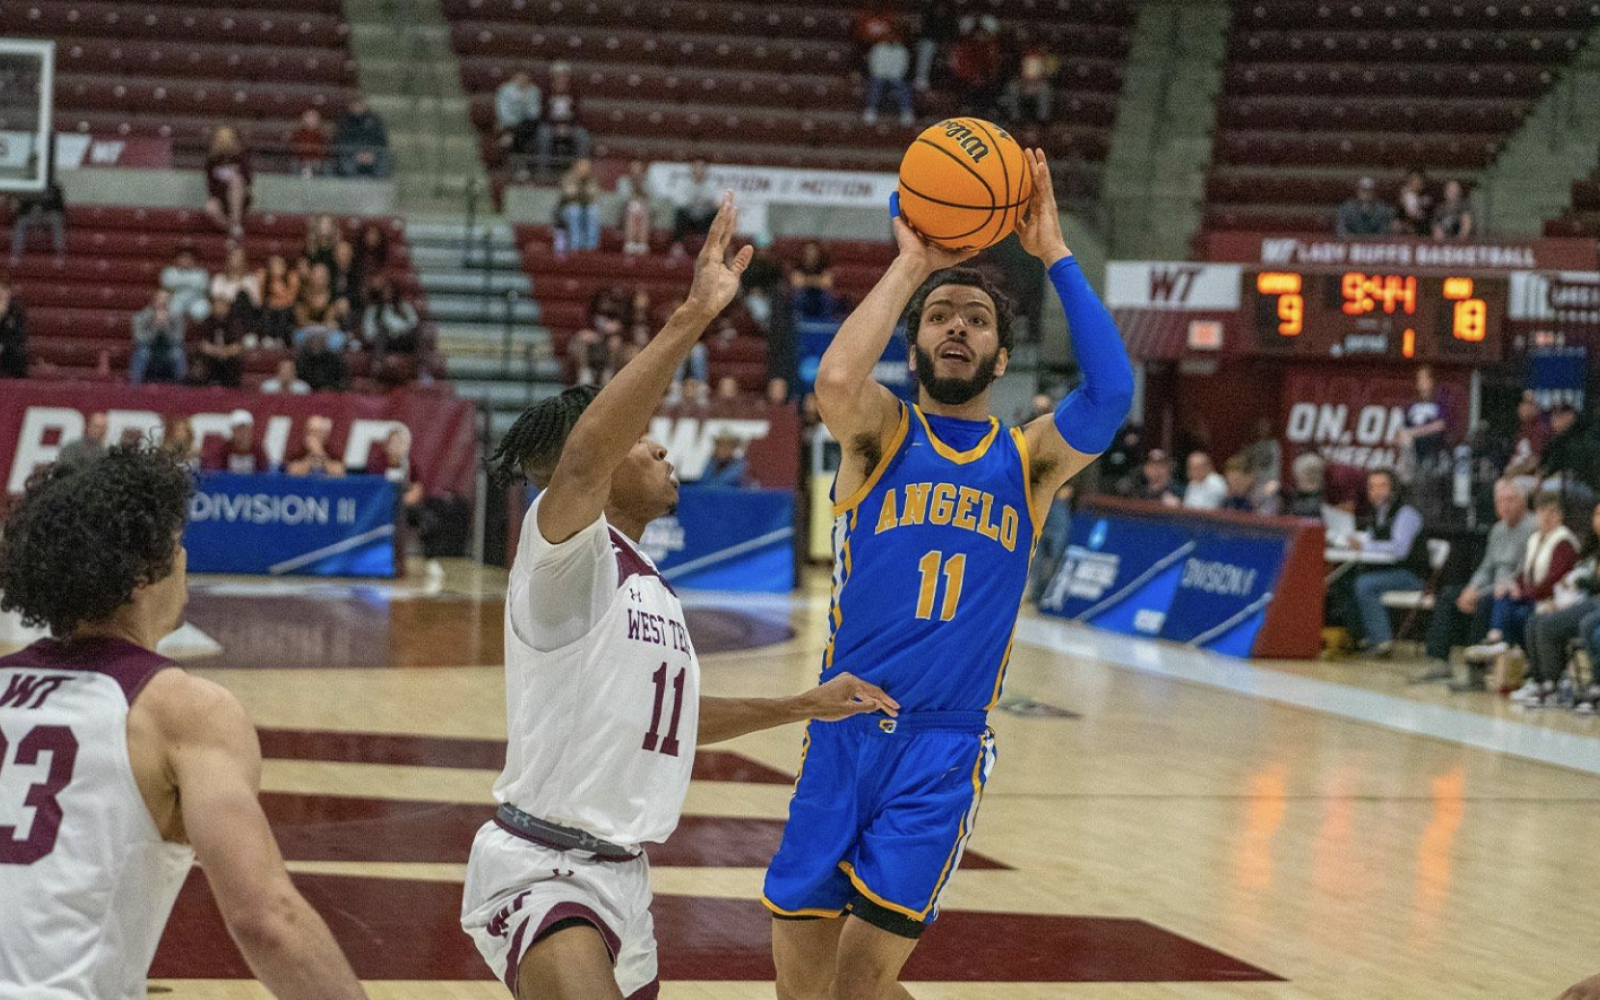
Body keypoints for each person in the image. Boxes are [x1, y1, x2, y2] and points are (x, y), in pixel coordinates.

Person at [461, 193, 895, 1000]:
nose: (661, 444)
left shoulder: (648, 585)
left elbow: (676, 720)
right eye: (642, 437)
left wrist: (803, 703)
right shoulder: (563, 558)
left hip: (626, 879)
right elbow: (586, 459)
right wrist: (694, 314)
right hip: (542, 867)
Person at [762, 152, 1133, 998]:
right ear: (917, 340)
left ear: (1003, 358)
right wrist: (911, 265)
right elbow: (836, 377)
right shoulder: (880, 434)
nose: (956, 328)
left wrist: (1057, 256)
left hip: (941, 745)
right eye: (939, 318)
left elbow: (1111, 393)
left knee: (857, 986)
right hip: (840, 733)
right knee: (803, 991)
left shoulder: (1029, 460)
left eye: (975, 320)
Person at [0, 445, 369, 1000]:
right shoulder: (185, 709)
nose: (185, 559)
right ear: (145, 572)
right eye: (176, 544)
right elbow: (266, 919)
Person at [1420, 479, 1535, 688]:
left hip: (1513, 590)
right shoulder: (1497, 530)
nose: (1505, 506)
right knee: (1448, 596)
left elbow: (1523, 572)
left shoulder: (1532, 529)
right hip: (1492, 585)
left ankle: (1476, 672)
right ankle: (1439, 660)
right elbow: (1486, 567)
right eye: (1500, 501)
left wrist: (1482, 592)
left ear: (1524, 501)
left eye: (1510, 500)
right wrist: (1472, 588)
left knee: (1484, 602)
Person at [1464, 491, 1579, 672]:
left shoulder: (1564, 542)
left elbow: (1553, 581)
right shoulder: (1535, 539)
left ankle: (1517, 655)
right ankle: (1496, 640)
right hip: (1532, 596)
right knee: (1500, 595)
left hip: (1551, 600)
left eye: (1552, 512)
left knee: (1521, 615)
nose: (1546, 517)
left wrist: (1523, 593)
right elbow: (1523, 574)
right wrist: (1511, 585)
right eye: (1542, 512)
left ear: (1559, 515)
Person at [1331, 468, 1428, 656]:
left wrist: (1366, 547)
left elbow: (1399, 549)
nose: (1376, 491)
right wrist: (1353, 542)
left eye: (1382, 486)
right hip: (1388, 571)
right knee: (1343, 581)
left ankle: (1382, 642)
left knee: (1365, 585)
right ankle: (1361, 637)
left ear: (1393, 489)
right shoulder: (1378, 513)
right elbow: (1372, 538)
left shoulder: (1405, 514)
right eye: (1372, 487)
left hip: (1410, 575)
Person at [1515, 501, 1600, 706]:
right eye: (1596, 513)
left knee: (1586, 624)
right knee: (1537, 620)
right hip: (1580, 599)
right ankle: (1542, 681)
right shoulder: (1591, 545)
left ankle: (1562, 685)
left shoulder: (1564, 542)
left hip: (1592, 601)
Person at [534, 62, 589, 173]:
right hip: (550, 126)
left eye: (564, 76)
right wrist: (556, 126)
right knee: (543, 134)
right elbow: (542, 114)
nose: (561, 79)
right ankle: (543, 171)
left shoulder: (574, 93)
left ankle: (581, 172)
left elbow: (578, 114)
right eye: (558, 76)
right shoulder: (546, 93)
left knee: (582, 135)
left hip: (570, 127)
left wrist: (568, 126)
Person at [129, 289, 188, 386]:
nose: (163, 303)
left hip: (168, 350)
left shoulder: (177, 318)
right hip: (149, 349)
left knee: (178, 353)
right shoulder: (141, 317)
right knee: (142, 353)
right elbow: (139, 340)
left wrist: (166, 327)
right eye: (160, 300)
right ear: (154, 301)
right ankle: (135, 384)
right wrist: (155, 327)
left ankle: (182, 385)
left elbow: (178, 340)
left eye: (166, 301)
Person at [203, 127, 252, 238]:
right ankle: (230, 228)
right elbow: (210, 186)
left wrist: (231, 179)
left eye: (227, 139)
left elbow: (248, 180)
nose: (224, 142)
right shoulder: (212, 161)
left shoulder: (241, 159)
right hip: (220, 197)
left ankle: (235, 221)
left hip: (239, 199)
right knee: (210, 207)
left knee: (236, 181)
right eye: (221, 139)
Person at [9, 176, 66, 264]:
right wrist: (31, 210)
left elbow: (60, 208)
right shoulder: (29, 187)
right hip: (32, 216)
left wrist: (44, 209)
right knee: (21, 221)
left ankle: (59, 254)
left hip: (47, 216)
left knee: (56, 219)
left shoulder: (55, 188)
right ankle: (16, 254)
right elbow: (22, 208)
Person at [193, 294, 245, 388]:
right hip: (212, 358)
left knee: (234, 360)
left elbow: (237, 346)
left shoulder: (234, 323)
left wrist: (224, 352)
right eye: (217, 307)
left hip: (228, 358)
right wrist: (216, 351)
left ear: (227, 308)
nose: (219, 310)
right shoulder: (207, 322)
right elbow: (203, 345)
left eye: (222, 307)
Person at [863, 34, 915, 126]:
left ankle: (906, 112)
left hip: (895, 77)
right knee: (876, 84)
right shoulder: (878, 48)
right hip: (880, 75)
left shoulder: (902, 50)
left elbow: (903, 67)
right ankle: (870, 110)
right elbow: (874, 65)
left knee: (903, 86)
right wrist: (883, 74)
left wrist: (893, 76)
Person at [333, 98, 390, 178]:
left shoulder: (376, 120)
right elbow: (341, 141)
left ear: (366, 105)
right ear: (350, 106)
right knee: (344, 161)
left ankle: (377, 186)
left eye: (360, 104)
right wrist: (356, 154)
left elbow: (382, 140)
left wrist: (371, 154)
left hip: (373, 154)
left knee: (384, 160)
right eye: (355, 104)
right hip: (351, 155)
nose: (357, 107)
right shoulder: (344, 120)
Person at [671, 160, 718, 253]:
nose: (699, 171)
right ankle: (678, 244)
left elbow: (715, 202)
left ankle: (714, 245)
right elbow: (679, 202)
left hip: (704, 218)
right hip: (690, 218)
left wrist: (705, 202)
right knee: (680, 213)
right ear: (692, 170)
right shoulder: (684, 184)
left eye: (701, 168)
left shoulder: (712, 185)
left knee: (716, 213)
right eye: (696, 168)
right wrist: (692, 201)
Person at [201, 409, 270, 473]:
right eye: (238, 429)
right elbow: (218, 471)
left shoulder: (257, 450)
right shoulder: (225, 449)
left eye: (245, 429)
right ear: (233, 431)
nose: (242, 433)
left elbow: (264, 473)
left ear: (251, 430)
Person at [495, 70, 543, 159]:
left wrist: (526, 101)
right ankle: (522, 166)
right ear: (514, 77)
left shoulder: (534, 91)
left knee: (526, 126)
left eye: (525, 77)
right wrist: (512, 122)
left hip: (528, 123)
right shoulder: (504, 90)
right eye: (520, 77)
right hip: (509, 122)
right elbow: (502, 110)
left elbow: (535, 114)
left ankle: (512, 136)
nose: (522, 79)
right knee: (520, 133)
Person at [557, 159, 602, 253]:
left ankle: (591, 247)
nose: (584, 170)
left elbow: (595, 194)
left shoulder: (592, 179)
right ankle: (575, 246)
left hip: (585, 209)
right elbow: (569, 193)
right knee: (575, 211)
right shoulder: (568, 177)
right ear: (576, 167)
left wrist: (581, 191)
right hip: (567, 210)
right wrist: (582, 189)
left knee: (593, 211)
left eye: (586, 167)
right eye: (582, 167)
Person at [161, 247, 212, 323]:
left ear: (194, 260)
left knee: (202, 310)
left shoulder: (201, 273)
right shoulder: (169, 272)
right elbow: (167, 287)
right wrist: (191, 283)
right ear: (177, 259)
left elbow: (204, 288)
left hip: (197, 300)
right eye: (183, 258)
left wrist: (180, 283)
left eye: (189, 258)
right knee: (172, 310)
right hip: (176, 300)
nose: (186, 260)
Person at [261, 254, 302, 346]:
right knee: (266, 310)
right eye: (273, 265)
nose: (277, 268)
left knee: (285, 311)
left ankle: (280, 338)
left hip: (288, 311)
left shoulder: (292, 277)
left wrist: (277, 295)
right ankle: (267, 338)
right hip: (271, 310)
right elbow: (262, 299)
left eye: (279, 264)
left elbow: (291, 298)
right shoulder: (266, 279)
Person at [791, 241, 836, 321]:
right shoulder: (798, 266)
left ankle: (825, 321)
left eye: (813, 251)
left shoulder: (824, 266)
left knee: (826, 296)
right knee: (798, 295)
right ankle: (798, 320)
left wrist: (806, 280)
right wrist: (818, 280)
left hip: (818, 296)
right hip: (805, 296)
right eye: (808, 251)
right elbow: (796, 283)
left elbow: (827, 283)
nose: (811, 254)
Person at [617, 159, 653, 256]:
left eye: (638, 168)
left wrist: (640, 186)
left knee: (642, 209)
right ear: (630, 169)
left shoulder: (647, 181)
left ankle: (642, 244)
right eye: (634, 168)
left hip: (643, 210)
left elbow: (650, 197)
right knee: (632, 209)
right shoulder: (623, 180)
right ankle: (630, 243)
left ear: (642, 170)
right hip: (625, 209)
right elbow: (622, 197)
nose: (636, 171)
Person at [0, 277, 29, 378]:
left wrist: (3, 346)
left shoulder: (16, 311)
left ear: (9, 292)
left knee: (18, 355)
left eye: (4, 288)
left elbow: (20, 336)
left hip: (9, 351)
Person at [290, 108, 329, 178]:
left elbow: (324, 150)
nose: (311, 119)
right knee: (294, 164)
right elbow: (294, 148)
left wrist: (314, 161)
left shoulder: (322, 134)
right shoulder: (298, 133)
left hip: (317, 161)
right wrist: (305, 161)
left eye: (314, 117)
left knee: (326, 166)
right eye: (309, 117)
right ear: (304, 119)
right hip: (301, 160)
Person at [1396, 170, 1432, 236]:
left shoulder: (1427, 197)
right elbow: (1399, 216)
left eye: (1418, 181)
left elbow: (1427, 218)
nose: (1416, 183)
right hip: (1405, 227)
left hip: (1421, 229)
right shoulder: (1404, 197)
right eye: (1413, 180)